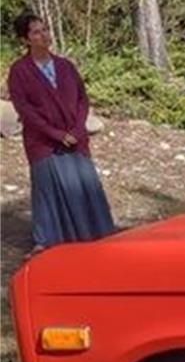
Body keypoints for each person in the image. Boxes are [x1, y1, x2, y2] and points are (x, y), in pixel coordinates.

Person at [7, 13, 115, 252]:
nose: (44, 35)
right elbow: (25, 110)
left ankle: (95, 233)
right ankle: (49, 239)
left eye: (45, 29)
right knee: (48, 187)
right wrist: (55, 134)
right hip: (43, 142)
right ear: (26, 39)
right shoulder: (20, 71)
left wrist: (77, 129)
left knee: (83, 181)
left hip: (75, 137)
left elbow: (81, 100)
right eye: (36, 32)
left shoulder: (65, 66)